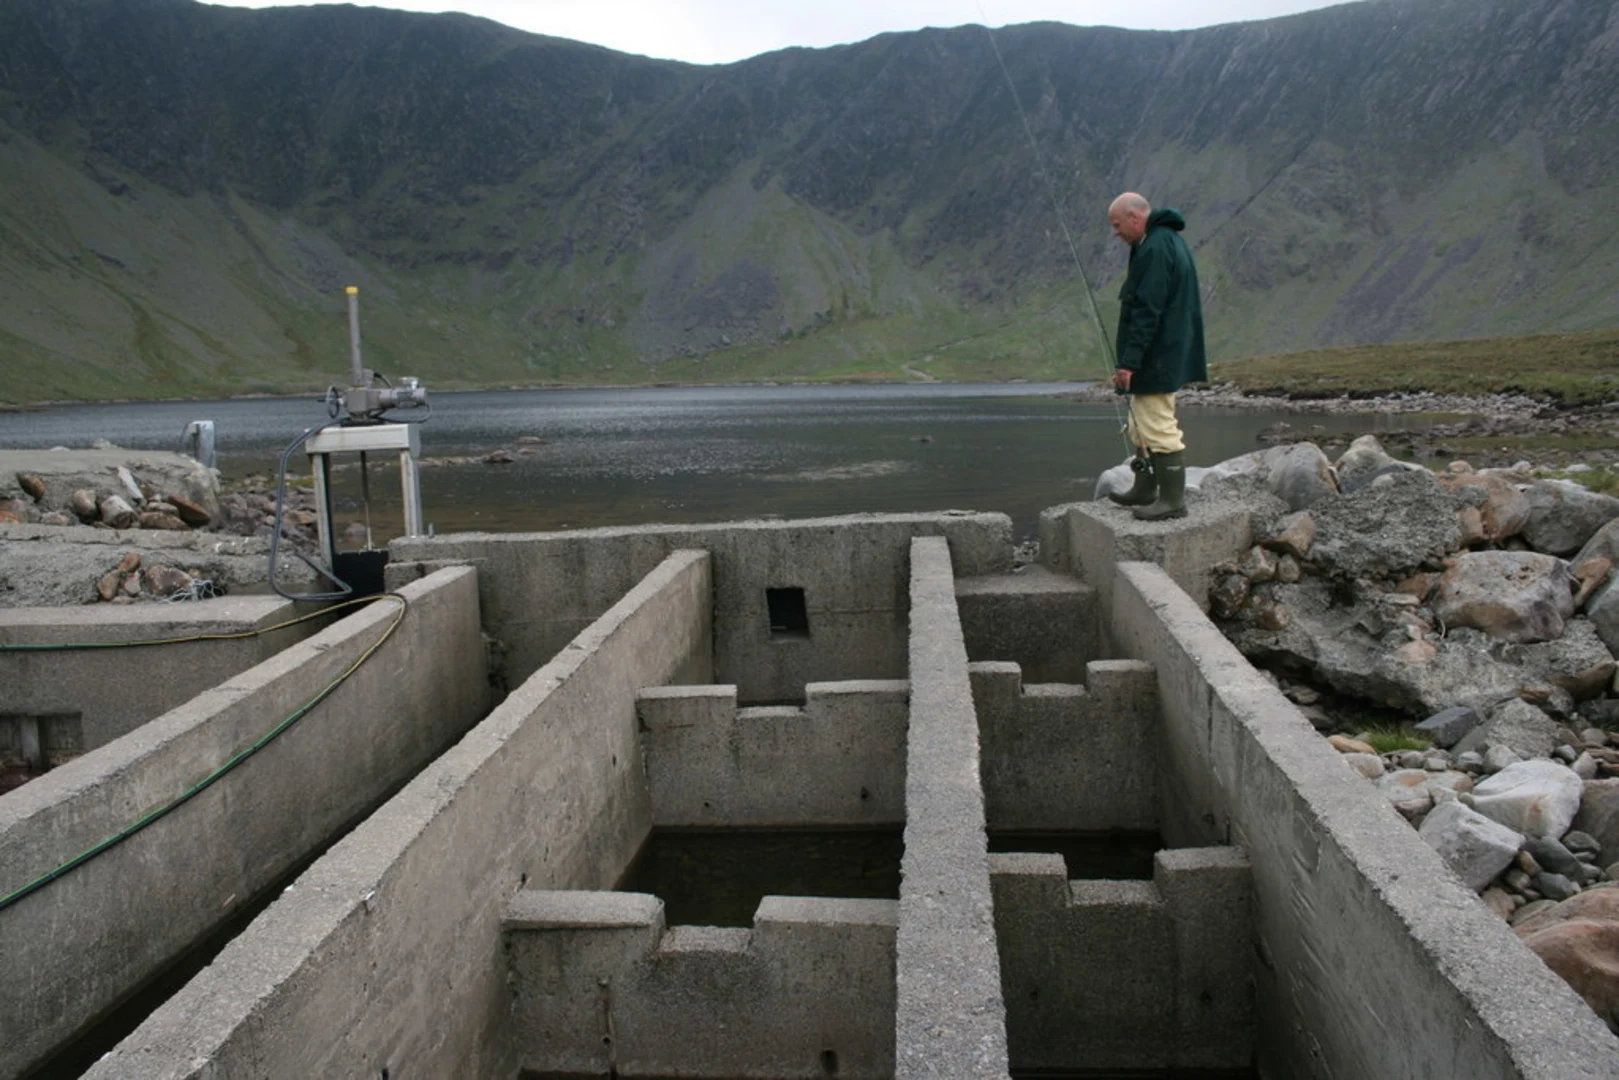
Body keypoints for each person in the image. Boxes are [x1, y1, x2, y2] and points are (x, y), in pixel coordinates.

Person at [1104, 192, 1207, 521]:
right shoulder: (1160, 242)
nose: (1115, 233)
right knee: (1141, 425)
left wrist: (1129, 362)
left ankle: (1173, 501)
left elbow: (1148, 310)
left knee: (1158, 425)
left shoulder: (1156, 248)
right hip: (1163, 351)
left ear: (1135, 218)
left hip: (1157, 355)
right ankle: (1145, 489)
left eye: (1117, 225)